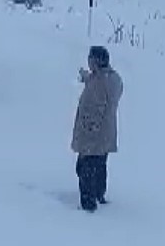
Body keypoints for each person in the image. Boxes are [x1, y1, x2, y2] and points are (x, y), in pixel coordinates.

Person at [72, 45, 124, 212]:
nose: (88, 61)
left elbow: (95, 109)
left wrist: (88, 131)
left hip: (92, 137)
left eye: (90, 58)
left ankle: (88, 206)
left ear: (96, 61)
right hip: (106, 135)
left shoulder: (98, 84)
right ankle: (99, 195)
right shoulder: (112, 79)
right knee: (100, 166)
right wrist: (87, 77)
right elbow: (100, 84)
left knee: (84, 168)